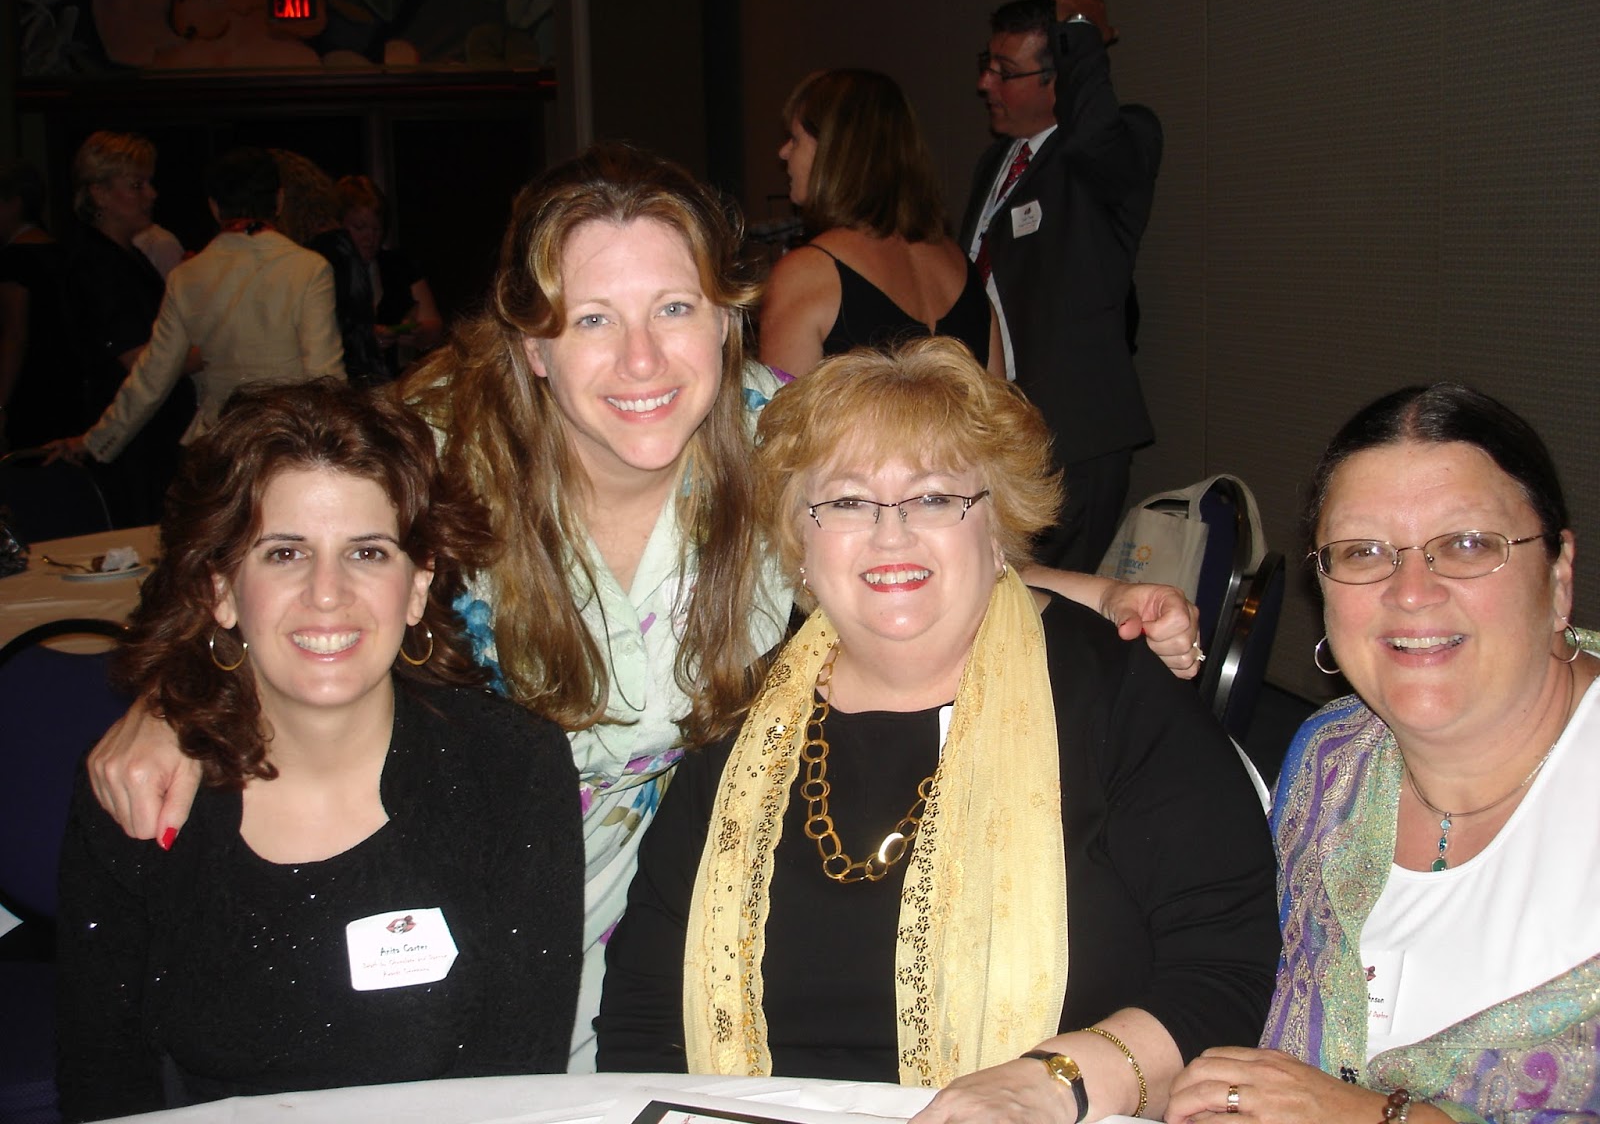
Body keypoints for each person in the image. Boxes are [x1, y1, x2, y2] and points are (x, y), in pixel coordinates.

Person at [80, 144, 1204, 1072]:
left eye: (675, 307)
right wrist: (181, 699)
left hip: (690, 888)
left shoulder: (774, 431)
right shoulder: (434, 450)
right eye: (590, 321)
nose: (641, 360)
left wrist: (1101, 593)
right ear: (532, 344)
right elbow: (274, 569)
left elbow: (913, 542)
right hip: (444, 889)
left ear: (725, 319)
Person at [596, 338, 1280, 1124]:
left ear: (997, 530)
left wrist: (1055, 1083)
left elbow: (1224, 970)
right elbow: (644, 1008)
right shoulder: (742, 725)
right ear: (800, 543)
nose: (890, 535)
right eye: (847, 502)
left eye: (933, 498)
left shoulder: (1116, 699)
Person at [55, 379, 583, 1121]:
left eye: (367, 552)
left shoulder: (510, 771)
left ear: (418, 585)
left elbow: (516, 1086)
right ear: (222, 589)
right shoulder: (139, 790)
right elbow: (105, 1089)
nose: (327, 593)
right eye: (284, 553)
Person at [1167, 383, 1600, 1124]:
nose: (1411, 592)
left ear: (1559, 578)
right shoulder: (1331, 760)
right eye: (1363, 552)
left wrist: (1371, 1117)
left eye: (1467, 544)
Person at [959, 0, 1162, 573]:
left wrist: (1082, 36)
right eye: (987, 65)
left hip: (1071, 435)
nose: (985, 84)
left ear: (1059, 78)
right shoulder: (995, 162)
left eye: (1005, 72)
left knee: (1054, 596)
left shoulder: (1113, 147)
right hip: (996, 424)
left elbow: (1095, 135)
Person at [50, 147, 345, 466]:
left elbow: (152, 376)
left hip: (216, 447)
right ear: (279, 200)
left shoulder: (187, 276)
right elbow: (325, 375)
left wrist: (95, 441)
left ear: (215, 207)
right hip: (287, 446)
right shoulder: (308, 268)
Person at [760, 69, 1000, 377]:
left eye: (794, 139)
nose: (783, 153)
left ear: (833, 151)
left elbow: (782, 406)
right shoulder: (962, 267)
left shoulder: (805, 274)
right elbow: (999, 402)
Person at [63, 131, 196, 523]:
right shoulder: (97, 264)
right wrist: (207, 352)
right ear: (100, 194)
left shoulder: (126, 256)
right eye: (137, 185)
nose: (151, 194)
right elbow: (139, 361)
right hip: (130, 445)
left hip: (143, 436)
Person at [272, 150, 387, 386]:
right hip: (359, 382)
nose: (369, 237)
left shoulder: (325, 253)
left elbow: (335, 341)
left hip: (347, 384)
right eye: (360, 227)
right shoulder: (335, 249)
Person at [0, 158, 82, 451]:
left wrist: (0, 404)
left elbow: (14, 336)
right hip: (67, 388)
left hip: (31, 391)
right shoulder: (60, 252)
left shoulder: (14, 260)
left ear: (13, 204)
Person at [336, 174, 444, 364]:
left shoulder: (399, 265)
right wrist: (363, 338)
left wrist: (417, 333)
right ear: (338, 225)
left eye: (376, 229)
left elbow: (434, 326)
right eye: (360, 228)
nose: (370, 238)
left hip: (395, 374)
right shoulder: (327, 271)